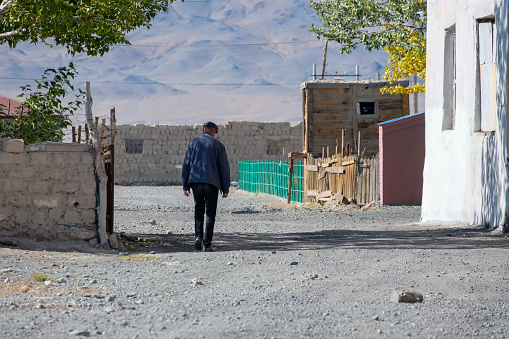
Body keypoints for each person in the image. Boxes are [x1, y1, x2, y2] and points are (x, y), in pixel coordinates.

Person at [182, 121, 230, 252]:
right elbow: (224, 168)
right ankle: (207, 244)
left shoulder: (193, 143)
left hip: (195, 182)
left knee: (198, 210)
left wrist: (185, 185)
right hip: (211, 183)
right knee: (210, 214)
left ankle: (198, 237)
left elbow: (187, 164)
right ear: (214, 131)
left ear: (203, 130)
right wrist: (225, 188)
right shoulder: (218, 145)